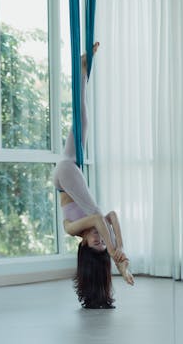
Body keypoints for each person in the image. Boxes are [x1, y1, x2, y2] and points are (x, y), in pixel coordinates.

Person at [53, 42, 134, 309]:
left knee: (95, 211)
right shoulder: (99, 232)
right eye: (102, 245)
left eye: (95, 245)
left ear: (85, 246)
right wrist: (120, 246)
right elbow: (112, 216)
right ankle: (82, 70)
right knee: (83, 119)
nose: (99, 241)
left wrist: (115, 254)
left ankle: (83, 68)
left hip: (64, 173)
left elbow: (100, 218)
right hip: (70, 169)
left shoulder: (71, 229)